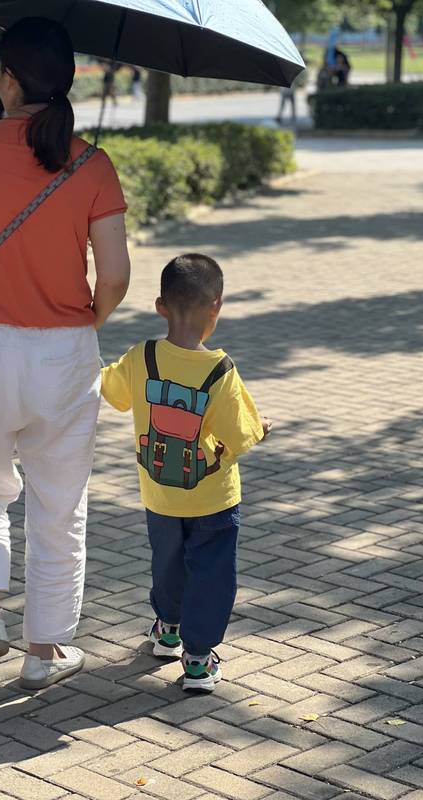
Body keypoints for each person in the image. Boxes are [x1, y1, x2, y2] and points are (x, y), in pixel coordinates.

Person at [0, 17, 130, 689]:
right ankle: (43, 652)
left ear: (8, 81)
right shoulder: (93, 164)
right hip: (62, 352)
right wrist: (84, 325)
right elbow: (115, 275)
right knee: (59, 504)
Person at [101, 254, 272, 692]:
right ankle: (197, 659)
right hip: (213, 498)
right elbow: (240, 435)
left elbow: (111, 390)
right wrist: (261, 427)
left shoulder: (141, 357)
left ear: (160, 306)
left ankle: (168, 629)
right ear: (217, 306)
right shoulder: (221, 371)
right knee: (211, 574)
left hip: (160, 495)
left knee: (168, 564)